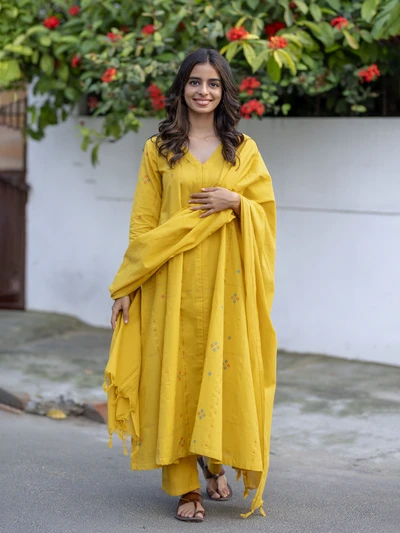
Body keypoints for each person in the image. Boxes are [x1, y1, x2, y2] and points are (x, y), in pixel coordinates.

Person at [105, 48, 277, 522]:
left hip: (226, 285)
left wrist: (236, 202)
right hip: (171, 282)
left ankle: (215, 462)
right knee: (176, 378)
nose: (204, 91)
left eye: (213, 83)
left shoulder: (243, 149)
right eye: (195, 82)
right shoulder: (158, 149)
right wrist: (126, 286)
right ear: (182, 88)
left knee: (221, 373)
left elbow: (265, 212)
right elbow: (143, 223)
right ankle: (186, 489)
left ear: (224, 91)